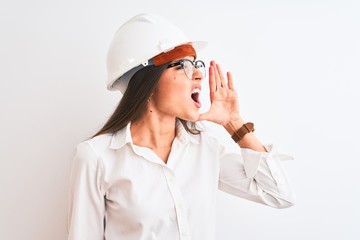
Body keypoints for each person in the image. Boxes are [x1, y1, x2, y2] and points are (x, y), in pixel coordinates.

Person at [67, 13, 295, 240]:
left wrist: (234, 122)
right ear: (148, 82)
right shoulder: (96, 157)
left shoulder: (204, 148)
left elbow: (278, 194)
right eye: (183, 65)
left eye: (196, 64)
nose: (198, 74)